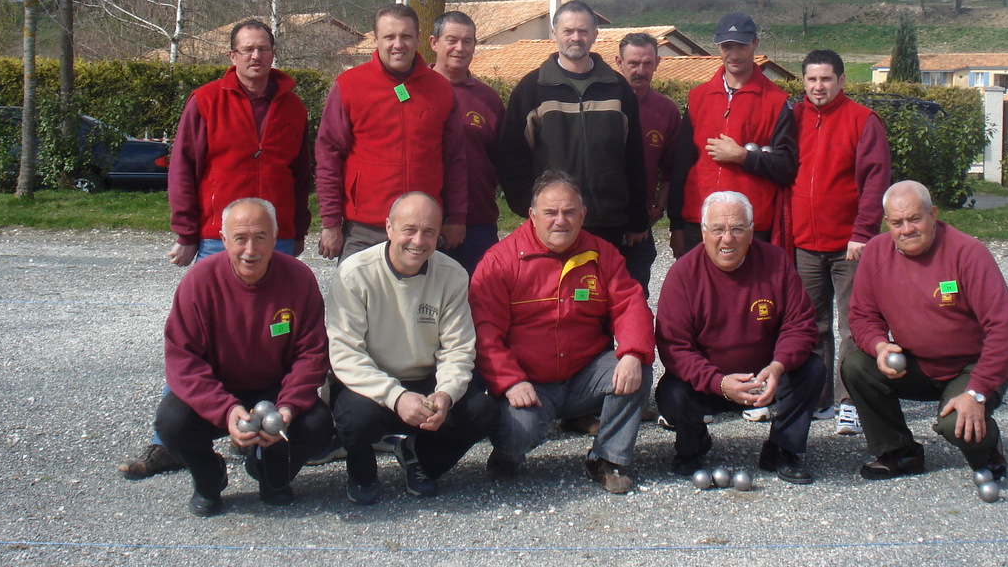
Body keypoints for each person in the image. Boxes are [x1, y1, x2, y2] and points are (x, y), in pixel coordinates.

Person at [119, 18, 311, 481]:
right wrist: (186, 231)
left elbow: (301, 171)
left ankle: (264, 430)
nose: (256, 57)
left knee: (276, 337)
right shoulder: (206, 101)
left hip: (277, 234)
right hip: (216, 235)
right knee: (199, 339)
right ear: (232, 56)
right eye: (246, 49)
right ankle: (169, 441)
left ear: (273, 54)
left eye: (263, 49)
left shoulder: (293, 106)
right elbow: (183, 166)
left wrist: (298, 227)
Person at [469, 171, 655, 494]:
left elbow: (630, 305)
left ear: (583, 215)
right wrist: (509, 381)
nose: (560, 221)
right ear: (532, 215)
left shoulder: (602, 254)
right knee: (519, 430)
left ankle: (606, 458)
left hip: (583, 375)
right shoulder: (500, 261)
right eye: (550, 212)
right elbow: (484, 331)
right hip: (530, 383)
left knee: (636, 370)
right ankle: (506, 456)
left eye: (569, 212)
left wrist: (633, 354)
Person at [154, 198, 333, 516]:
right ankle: (209, 478)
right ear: (223, 240)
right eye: (240, 238)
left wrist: (288, 407)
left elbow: (312, 353)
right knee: (172, 423)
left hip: (275, 390)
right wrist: (226, 409)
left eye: (260, 237)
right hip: (219, 388)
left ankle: (269, 473)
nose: (251, 250)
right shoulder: (199, 281)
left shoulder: (299, 278)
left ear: (275, 238)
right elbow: (183, 359)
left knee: (318, 425)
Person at [843, 181, 1008, 484]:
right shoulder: (875, 252)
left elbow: (1007, 328)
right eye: (897, 222)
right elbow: (862, 316)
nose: (906, 230)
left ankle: (989, 449)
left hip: (970, 367)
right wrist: (879, 346)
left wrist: (977, 391)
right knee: (856, 365)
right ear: (887, 223)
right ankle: (899, 452)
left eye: (915, 219)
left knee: (955, 424)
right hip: (916, 364)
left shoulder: (968, 252)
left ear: (933, 214)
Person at [325, 192, 497, 505]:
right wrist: (397, 397)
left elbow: (458, 349)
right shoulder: (354, 273)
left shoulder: (453, 275)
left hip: (425, 381)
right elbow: (346, 355)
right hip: (370, 385)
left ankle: (420, 458)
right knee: (355, 418)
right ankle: (362, 473)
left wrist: (445, 395)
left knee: (482, 411)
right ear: (389, 228)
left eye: (429, 231)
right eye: (409, 230)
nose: (418, 241)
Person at [656, 191, 824, 484]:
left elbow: (800, 325)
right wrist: (718, 382)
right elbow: (675, 348)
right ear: (703, 232)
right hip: (709, 382)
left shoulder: (776, 262)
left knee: (812, 369)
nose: (727, 238)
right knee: (671, 393)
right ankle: (692, 446)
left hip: (765, 378)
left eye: (737, 228)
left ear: (751, 231)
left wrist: (777, 367)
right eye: (718, 229)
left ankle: (782, 449)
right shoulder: (682, 274)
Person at [497, 0, 651, 288]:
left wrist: (637, 219)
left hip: (608, 220)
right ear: (554, 33)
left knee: (603, 299)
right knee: (553, 298)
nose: (576, 38)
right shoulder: (532, 89)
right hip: (553, 223)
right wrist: (528, 207)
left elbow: (634, 159)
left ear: (595, 35)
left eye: (583, 31)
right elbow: (511, 156)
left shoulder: (617, 89)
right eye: (568, 31)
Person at [788, 48, 890, 435]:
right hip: (804, 243)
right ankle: (818, 399)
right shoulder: (793, 118)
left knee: (854, 326)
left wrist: (863, 234)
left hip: (850, 245)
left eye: (826, 79)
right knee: (812, 326)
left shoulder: (863, 120)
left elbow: (875, 182)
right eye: (812, 79)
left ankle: (851, 401)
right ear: (803, 82)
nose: (818, 87)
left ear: (842, 81)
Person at [317, 4, 467, 261]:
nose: (398, 44)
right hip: (364, 229)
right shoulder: (349, 86)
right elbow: (328, 157)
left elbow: (455, 160)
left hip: (423, 230)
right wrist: (330, 223)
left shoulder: (440, 89)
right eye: (389, 37)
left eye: (406, 36)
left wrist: (456, 218)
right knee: (355, 289)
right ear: (375, 40)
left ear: (418, 38)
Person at [668, 11, 797, 256]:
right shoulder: (698, 98)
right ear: (718, 47)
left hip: (749, 224)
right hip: (700, 221)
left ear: (755, 43)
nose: (734, 54)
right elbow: (681, 165)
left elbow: (787, 166)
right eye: (727, 46)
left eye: (742, 46)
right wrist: (676, 224)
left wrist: (744, 157)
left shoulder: (776, 101)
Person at [429, 10, 505, 274]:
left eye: (467, 41)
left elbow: (503, 159)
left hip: (478, 222)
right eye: (452, 40)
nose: (459, 48)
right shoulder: (414, 92)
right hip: (422, 224)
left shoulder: (488, 99)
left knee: (481, 294)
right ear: (434, 43)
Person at [614, 32, 681, 275]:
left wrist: (659, 208)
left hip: (642, 224)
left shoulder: (666, 111)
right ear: (619, 62)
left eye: (647, 63)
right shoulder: (602, 104)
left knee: (636, 290)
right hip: (601, 221)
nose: (640, 71)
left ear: (657, 63)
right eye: (633, 63)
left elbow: (672, 167)